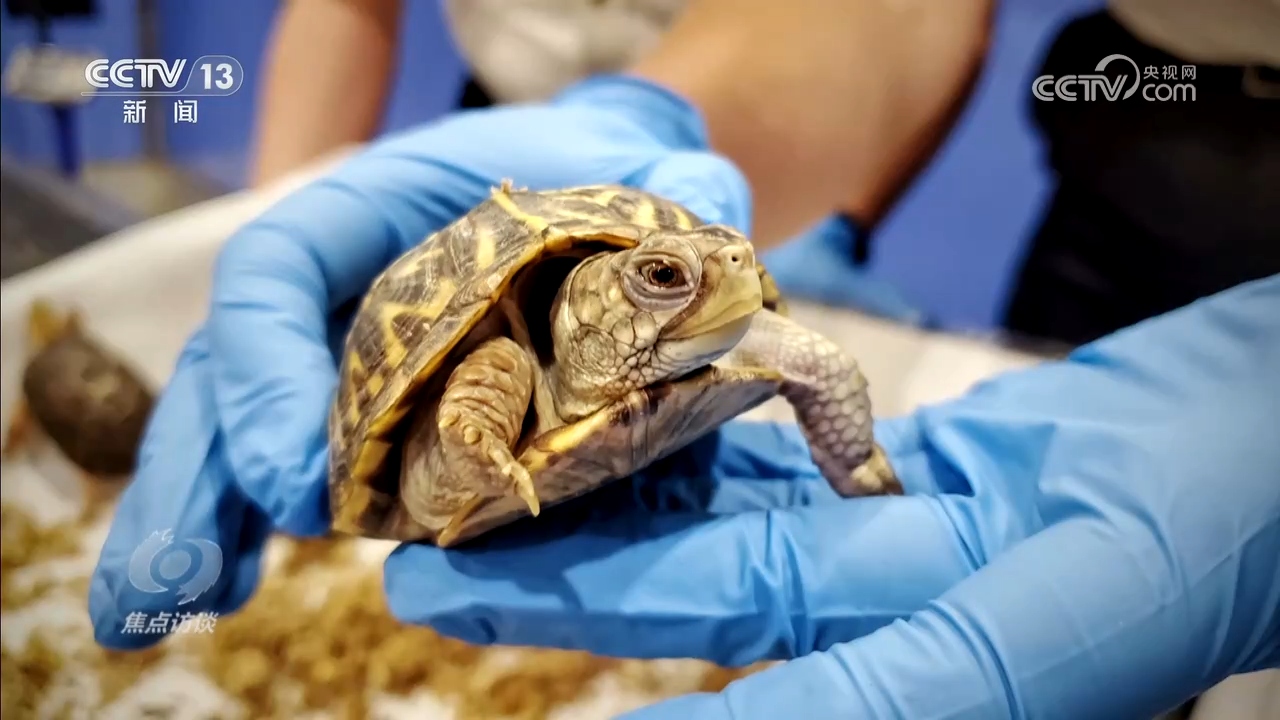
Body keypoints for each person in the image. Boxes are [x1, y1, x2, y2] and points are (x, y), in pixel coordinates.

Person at [87, 0, 1278, 717]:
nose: (725, 279)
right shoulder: (515, 356)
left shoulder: (719, 323)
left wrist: (854, 462)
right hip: (521, 195)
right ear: (588, 304)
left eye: (718, 268)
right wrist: (283, 199)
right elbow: (490, 369)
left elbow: (811, 359)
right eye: (662, 278)